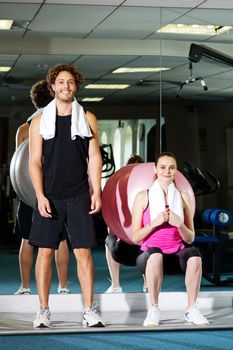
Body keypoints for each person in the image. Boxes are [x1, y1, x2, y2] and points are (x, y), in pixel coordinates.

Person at [29, 64, 105, 328]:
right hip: (50, 195)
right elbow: (34, 162)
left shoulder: (88, 118)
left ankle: (88, 310)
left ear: (76, 86)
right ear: (52, 87)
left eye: (70, 82)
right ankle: (43, 310)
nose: (66, 86)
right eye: (61, 82)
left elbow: (94, 157)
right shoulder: (39, 121)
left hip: (78, 194)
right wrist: (39, 195)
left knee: (83, 253)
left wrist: (97, 189)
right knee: (45, 253)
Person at [132, 152, 209, 326]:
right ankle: (154, 309)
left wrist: (180, 224)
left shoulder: (182, 197)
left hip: (175, 254)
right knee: (156, 254)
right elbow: (135, 237)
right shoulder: (143, 197)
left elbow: (190, 238)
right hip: (149, 256)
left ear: (176, 171)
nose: (167, 171)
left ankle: (191, 309)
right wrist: (154, 223)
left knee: (195, 257)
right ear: (155, 169)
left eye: (171, 168)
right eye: (163, 167)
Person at [14, 79, 70, 296]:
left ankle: (25, 287)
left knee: (27, 238)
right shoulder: (61, 124)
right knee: (61, 239)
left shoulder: (23, 130)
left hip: (30, 193)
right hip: (55, 191)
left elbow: (20, 165)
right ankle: (63, 287)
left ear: (34, 101)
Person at [105, 154, 144, 293]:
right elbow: (111, 228)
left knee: (148, 240)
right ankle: (115, 285)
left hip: (141, 242)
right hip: (124, 243)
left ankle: (147, 283)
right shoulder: (120, 190)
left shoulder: (147, 191)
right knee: (108, 240)